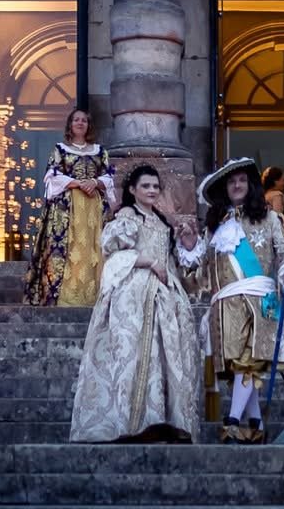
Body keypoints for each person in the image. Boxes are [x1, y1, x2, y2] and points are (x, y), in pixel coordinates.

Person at [70, 164, 204, 443]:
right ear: (132, 189)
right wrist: (149, 262)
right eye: (146, 186)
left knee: (167, 356)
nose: (152, 190)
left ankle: (163, 422)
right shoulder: (127, 216)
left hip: (165, 297)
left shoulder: (161, 222)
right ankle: (130, 423)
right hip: (134, 294)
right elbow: (112, 251)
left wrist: (188, 245)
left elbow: (175, 267)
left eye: (155, 186)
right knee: (134, 354)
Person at [195, 156, 284, 444]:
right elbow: (202, 270)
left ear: (251, 185)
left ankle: (232, 421)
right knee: (239, 369)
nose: (237, 185)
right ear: (224, 188)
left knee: (249, 363)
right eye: (231, 182)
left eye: (242, 180)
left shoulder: (270, 218)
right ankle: (255, 424)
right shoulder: (214, 226)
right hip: (225, 307)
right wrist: (186, 245)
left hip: (259, 303)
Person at [23, 107, 116, 308]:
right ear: (70, 125)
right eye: (76, 120)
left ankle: (93, 295)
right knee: (71, 247)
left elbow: (109, 177)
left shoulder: (100, 151)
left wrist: (94, 182)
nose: (80, 123)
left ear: (89, 125)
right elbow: (51, 176)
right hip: (67, 208)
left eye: (84, 120)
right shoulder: (60, 150)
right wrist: (77, 183)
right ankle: (66, 296)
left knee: (93, 247)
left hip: (93, 207)